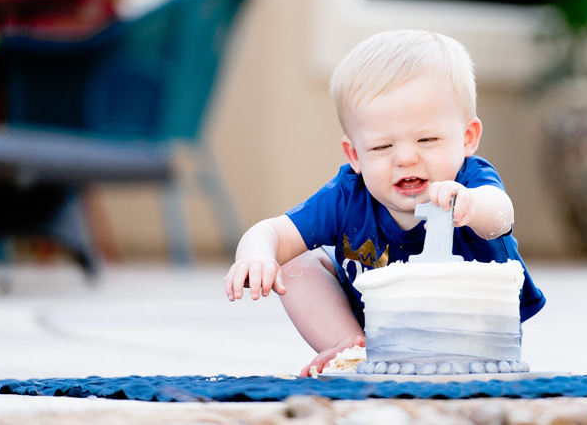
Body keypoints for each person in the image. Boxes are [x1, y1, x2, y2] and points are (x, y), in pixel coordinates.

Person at [224, 29, 545, 376]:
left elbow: (501, 215)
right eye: (382, 146)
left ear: (467, 138)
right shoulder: (349, 194)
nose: (405, 158)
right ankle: (348, 346)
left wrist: (472, 206)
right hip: (382, 334)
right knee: (295, 262)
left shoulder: (471, 181)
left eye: (427, 139)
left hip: (470, 336)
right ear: (355, 155)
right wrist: (256, 255)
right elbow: (274, 232)